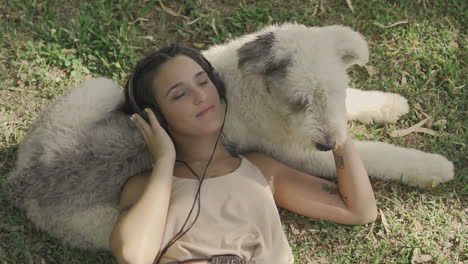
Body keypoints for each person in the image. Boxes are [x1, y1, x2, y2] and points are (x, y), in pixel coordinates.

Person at [110, 45, 377, 264]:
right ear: (154, 117)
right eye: (179, 94)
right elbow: (134, 255)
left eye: (203, 82)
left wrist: (333, 123)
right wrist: (164, 162)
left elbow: (358, 210)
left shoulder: (260, 170)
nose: (200, 95)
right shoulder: (146, 186)